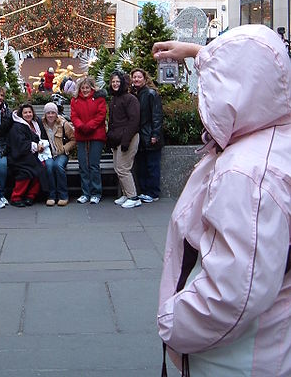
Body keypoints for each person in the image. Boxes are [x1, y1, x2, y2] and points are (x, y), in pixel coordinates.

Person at [153, 24, 291, 377]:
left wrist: (172, 323)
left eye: (210, 87)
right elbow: (254, 70)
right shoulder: (272, 139)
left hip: (236, 360)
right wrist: (201, 53)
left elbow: (233, 294)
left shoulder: (247, 173)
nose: (203, 98)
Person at [106, 71, 141, 208]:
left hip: (128, 138)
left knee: (123, 168)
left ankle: (133, 196)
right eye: (113, 81)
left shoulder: (130, 99)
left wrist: (126, 141)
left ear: (122, 83)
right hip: (117, 139)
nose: (115, 84)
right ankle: (126, 194)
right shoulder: (114, 99)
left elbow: (133, 121)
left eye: (117, 81)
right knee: (118, 167)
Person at [70, 76, 107, 204]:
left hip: (96, 135)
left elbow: (101, 115)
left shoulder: (99, 98)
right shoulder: (74, 100)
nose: (85, 90)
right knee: (83, 165)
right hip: (81, 135)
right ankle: (86, 192)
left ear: (91, 88)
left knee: (93, 165)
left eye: (87, 88)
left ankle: (96, 192)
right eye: (82, 88)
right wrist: (81, 126)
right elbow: (73, 116)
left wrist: (89, 126)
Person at [130, 68, 164, 203]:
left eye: (139, 77)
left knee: (152, 166)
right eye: (134, 77)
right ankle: (144, 191)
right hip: (139, 136)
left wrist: (155, 134)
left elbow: (157, 115)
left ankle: (153, 192)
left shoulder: (151, 94)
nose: (136, 79)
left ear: (144, 79)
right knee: (142, 166)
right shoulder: (135, 94)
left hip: (149, 135)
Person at [8, 103, 47, 207]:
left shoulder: (35, 123)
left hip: (30, 155)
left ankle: (31, 196)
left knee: (41, 169)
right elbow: (20, 144)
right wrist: (35, 146)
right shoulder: (17, 127)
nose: (28, 114)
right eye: (25, 112)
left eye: (30, 112)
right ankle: (16, 197)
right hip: (19, 157)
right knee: (27, 172)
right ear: (21, 114)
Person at [41, 102, 76, 206]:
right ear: (45, 114)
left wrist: (64, 148)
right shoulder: (41, 124)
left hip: (61, 154)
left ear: (56, 113)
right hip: (48, 154)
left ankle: (63, 195)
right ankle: (52, 195)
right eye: (48, 113)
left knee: (58, 166)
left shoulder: (63, 124)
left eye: (53, 113)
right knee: (49, 166)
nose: (50, 115)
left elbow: (74, 139)